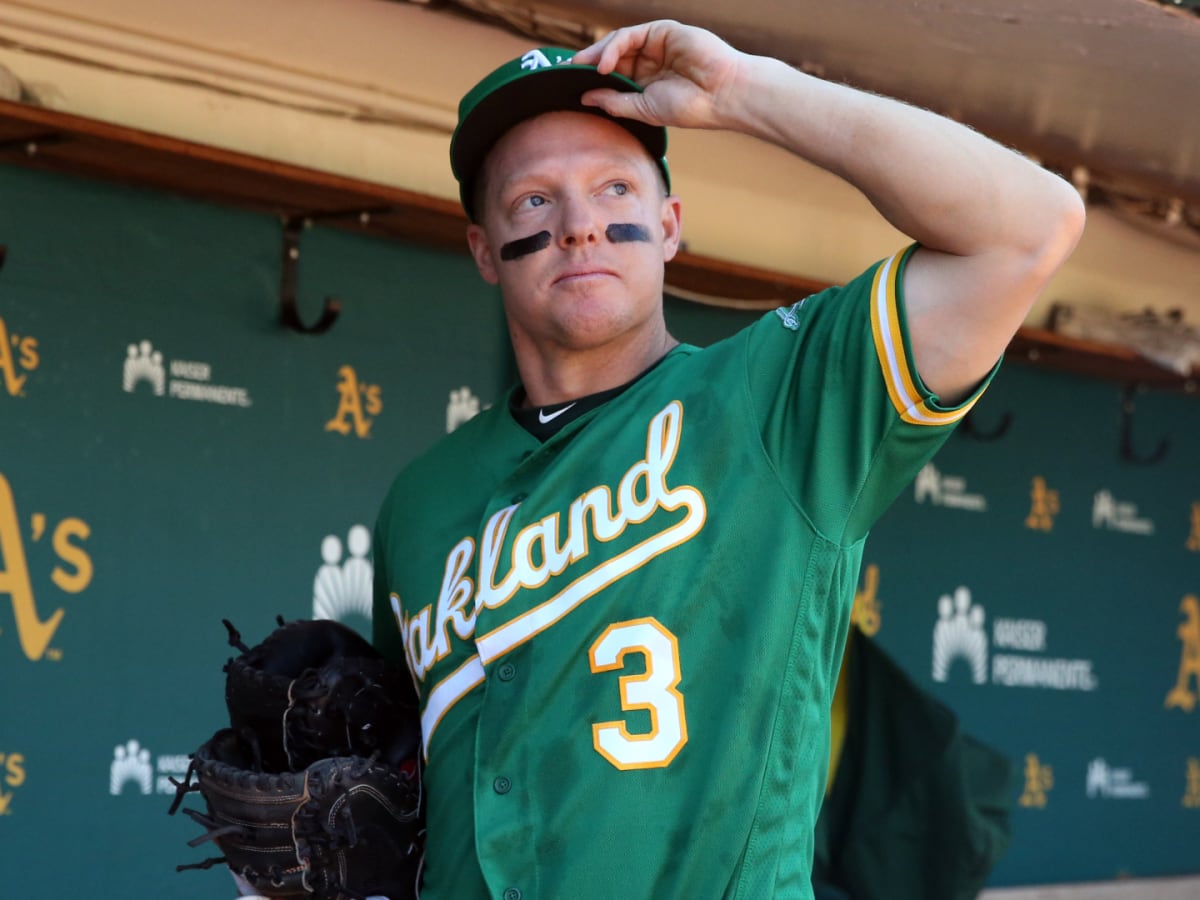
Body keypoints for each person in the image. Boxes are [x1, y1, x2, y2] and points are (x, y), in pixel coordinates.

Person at [372, 19, 1083, 900]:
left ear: (669, 226)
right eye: (532, 201)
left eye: (615, 188)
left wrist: (748, 93)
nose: (580, 226)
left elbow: (1030, 228)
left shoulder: (781, 398)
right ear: (485, 249)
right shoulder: (420, 502)